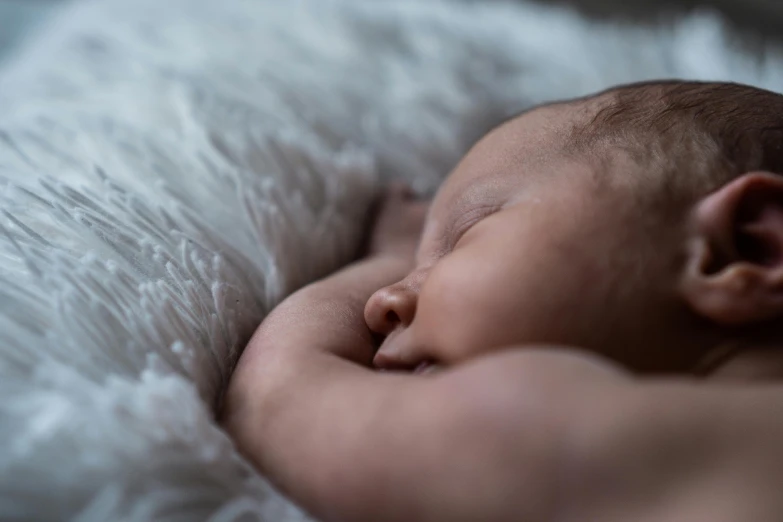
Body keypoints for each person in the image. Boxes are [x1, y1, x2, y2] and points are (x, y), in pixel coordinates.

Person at [222, 81, 783, 522]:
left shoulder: (651, 447)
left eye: (466, 233)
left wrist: (386, 255)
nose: (383, 301)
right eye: (408, 265)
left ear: (752, 247)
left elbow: (276, 399)